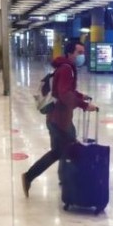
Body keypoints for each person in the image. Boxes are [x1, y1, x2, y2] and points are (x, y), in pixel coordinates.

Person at [21, 40, 98, 197]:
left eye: (83, 52)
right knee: (71, 150)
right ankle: (68, 182)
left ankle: (52, 178)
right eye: (79, 52)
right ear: (70, 53)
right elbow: (64, 94)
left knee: (59, 151)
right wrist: (84, 105)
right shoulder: (66, 69)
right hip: (60, 121)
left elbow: (65, 90)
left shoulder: (65, 67)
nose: (82, 56)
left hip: (57, 119)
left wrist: (80, 96)